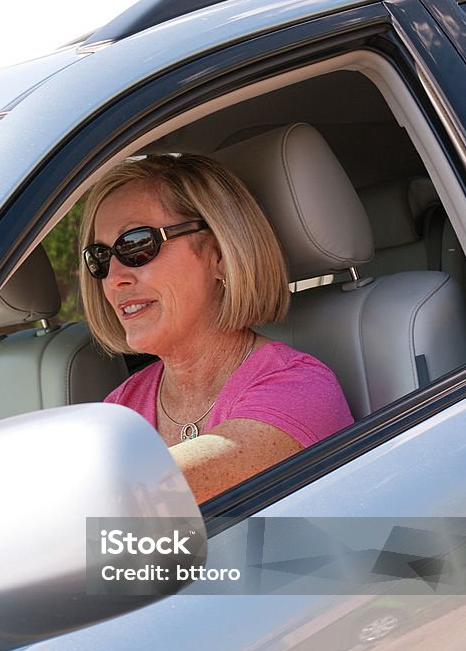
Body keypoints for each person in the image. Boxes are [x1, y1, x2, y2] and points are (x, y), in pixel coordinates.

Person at [80, 154, 353, 504]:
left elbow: (131, 493)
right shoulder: (122, 407)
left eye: (135, 245)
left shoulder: (301, 389)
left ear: (220, 254)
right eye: (100, 258)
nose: (115, 278)